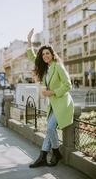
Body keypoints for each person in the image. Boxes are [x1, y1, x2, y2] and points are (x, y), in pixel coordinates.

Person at [27, 28, 74, 168]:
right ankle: (42, 156)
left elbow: (68, 85)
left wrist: (52, 92)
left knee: (49, 128)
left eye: (48, 53)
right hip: (53, 105)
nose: (45, 56)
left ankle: (56, 152)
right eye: (43, 54)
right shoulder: (46, 68)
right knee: (49, 129)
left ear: (53, 55)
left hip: (63, 103)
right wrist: (29, 41)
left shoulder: (58, 66)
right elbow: (32, 57)